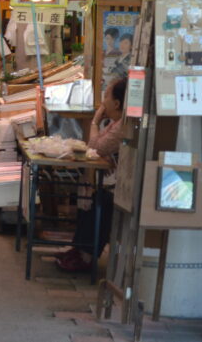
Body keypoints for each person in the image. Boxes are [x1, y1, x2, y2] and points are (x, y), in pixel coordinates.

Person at [55, 78, 128, 273]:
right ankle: (78, 249)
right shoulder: (115, 123)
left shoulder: (122, 126)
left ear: (117, 103)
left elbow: (95, 147)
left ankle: (86, 256)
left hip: (121, 187)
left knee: (99, 201)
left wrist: (95, 121)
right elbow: (97, 147)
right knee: (89, 196)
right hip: (111, 181)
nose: (103, 102)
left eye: (106, 96)